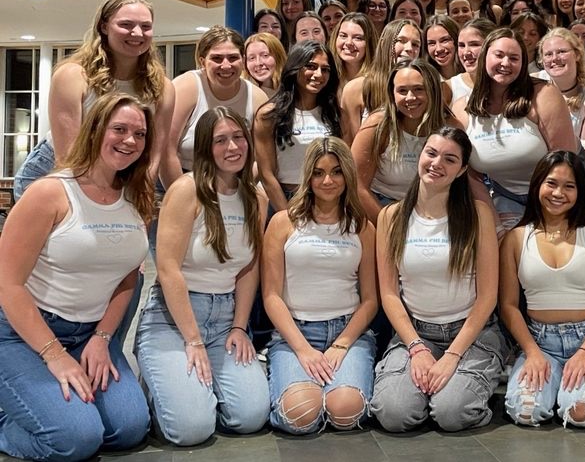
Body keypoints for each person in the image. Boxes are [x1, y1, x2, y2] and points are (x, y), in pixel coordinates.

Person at [0, 94, 153, 461]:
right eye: (119, 129)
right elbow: (8, 284)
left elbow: (128, 279)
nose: (129, 140)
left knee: (128, 429)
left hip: (88, 334)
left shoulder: (136, 196)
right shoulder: (49, 193)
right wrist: (54, 355)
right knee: (75, 440)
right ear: (96, 129)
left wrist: (102, 338)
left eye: (140, 134)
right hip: (24, 335)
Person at [134, 107, 270, 446]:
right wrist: (193, 340)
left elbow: (249, 267)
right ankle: (159, 380)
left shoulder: (257, 197)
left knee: (250, 417)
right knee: (191, 429)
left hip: (225, 320)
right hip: (174, 319)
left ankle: (192, 388)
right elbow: (167, 268)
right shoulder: (186, 190)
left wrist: (240, 326)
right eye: (220, 140)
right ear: (205, 148)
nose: (232, 147)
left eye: (238, 137)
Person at [369, 127, 505, 432]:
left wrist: (453, 355)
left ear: (461, 171)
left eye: (450, 159)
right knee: (393, 414)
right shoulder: (390, 216)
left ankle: (454, 392)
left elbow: (487, 297)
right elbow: (390, 294)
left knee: (452, 414)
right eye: (431, 153)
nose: (437, 163)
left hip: (470, 334)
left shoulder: (478, 214)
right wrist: (416, 349)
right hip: (417, 334)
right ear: (420, 154)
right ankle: (427, 393)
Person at [261, 138, 378, 434]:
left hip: (347, 333)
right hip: (295, 333)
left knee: (346, 413)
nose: (328, 180)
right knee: (300, 416)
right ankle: (294, 383)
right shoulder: (282, 222)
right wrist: (302, 350)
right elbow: (271, 295)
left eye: (337, 172)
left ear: (347, 175)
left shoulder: (363, 226)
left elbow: (370, 300)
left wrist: (342, 344)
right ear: (307, 176)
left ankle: (329, 389)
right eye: (318, 172)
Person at [500, 151, 585, 427]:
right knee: (526, 412)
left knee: (580, 413)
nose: (559, 193)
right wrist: (531, 351)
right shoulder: (516, 238)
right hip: (540, 342)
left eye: (570, 186)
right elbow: (508, 305)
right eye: (551, 183)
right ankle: (556, 389)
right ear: (537, 186)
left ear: (580, 192)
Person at [14, 0, 176, 198]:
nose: (137, 33)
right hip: (56, 172)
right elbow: (68, 157)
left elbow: (152, 158)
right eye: (126, 25)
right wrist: (95, 202)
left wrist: (139, 198)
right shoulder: (73, 75)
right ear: (104, 26)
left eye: (145, 26)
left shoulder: (163, 87)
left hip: (123, 175)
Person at [453, 28, 579, 233]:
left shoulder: (544, 94)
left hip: (557, 192)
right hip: (505, 196)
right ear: (485, 56)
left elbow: (566, 161)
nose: (506, 63)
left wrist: (547, 215)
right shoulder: (462, 110)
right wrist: (496, 226)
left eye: (514, 58)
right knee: (504, 250)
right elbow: (471, 175)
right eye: (499, 55)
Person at [353, 59, 454, 223]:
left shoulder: (450, 127)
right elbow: (357, 186)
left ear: (433, 91)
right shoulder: (377, 126)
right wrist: (387, 226)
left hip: (435, 210)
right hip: (382, 207)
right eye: (402, 91)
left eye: (418, 89)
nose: (410, 97)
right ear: (392, 94)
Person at [254, 42, 341, 213]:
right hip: (285, 199)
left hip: (327, 200)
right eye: (311, 66)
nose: (319, 75)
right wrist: (286, 215)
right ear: (295, 68)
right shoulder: (269, 115)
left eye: (325, 69)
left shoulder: (335, 113)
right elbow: (267, 174)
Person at [169, 26, 268, 173]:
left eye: (233, 57)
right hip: (186, 177)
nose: (226, 65)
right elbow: (166, 151)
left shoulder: (257, 97)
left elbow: (262, 157)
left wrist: (242, 191)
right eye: (217, 58)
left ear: (243, 60)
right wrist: (181, 192)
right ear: (203, 62)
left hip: (236, 182)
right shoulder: (185, 87)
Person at [536, 28, 585, 146]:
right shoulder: (534, 83)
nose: (555, 58)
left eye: (561, 52)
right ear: (542, 60)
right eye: (548, 54)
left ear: (577, 55)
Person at [449, 17, 497, 103]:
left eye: (474, 44)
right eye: (461, 45)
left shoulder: (505, 84)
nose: (466, 52)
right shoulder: (448, 88)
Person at [332, 12, 377, 86]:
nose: (349, 43)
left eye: (358, 38)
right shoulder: (328, 77)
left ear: (369, 43)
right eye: (343, 36)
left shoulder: (378, 81)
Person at [243, 32, 286, 97]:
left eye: (265, 55)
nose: (258, 63)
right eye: (252, 58)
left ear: (278, 57)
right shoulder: (242, 93)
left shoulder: (294, 89)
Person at [424, 14, 460, 79]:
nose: (439, 49)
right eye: (432, 43)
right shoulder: (425, 80)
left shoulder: (473, 75)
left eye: (444, 40)